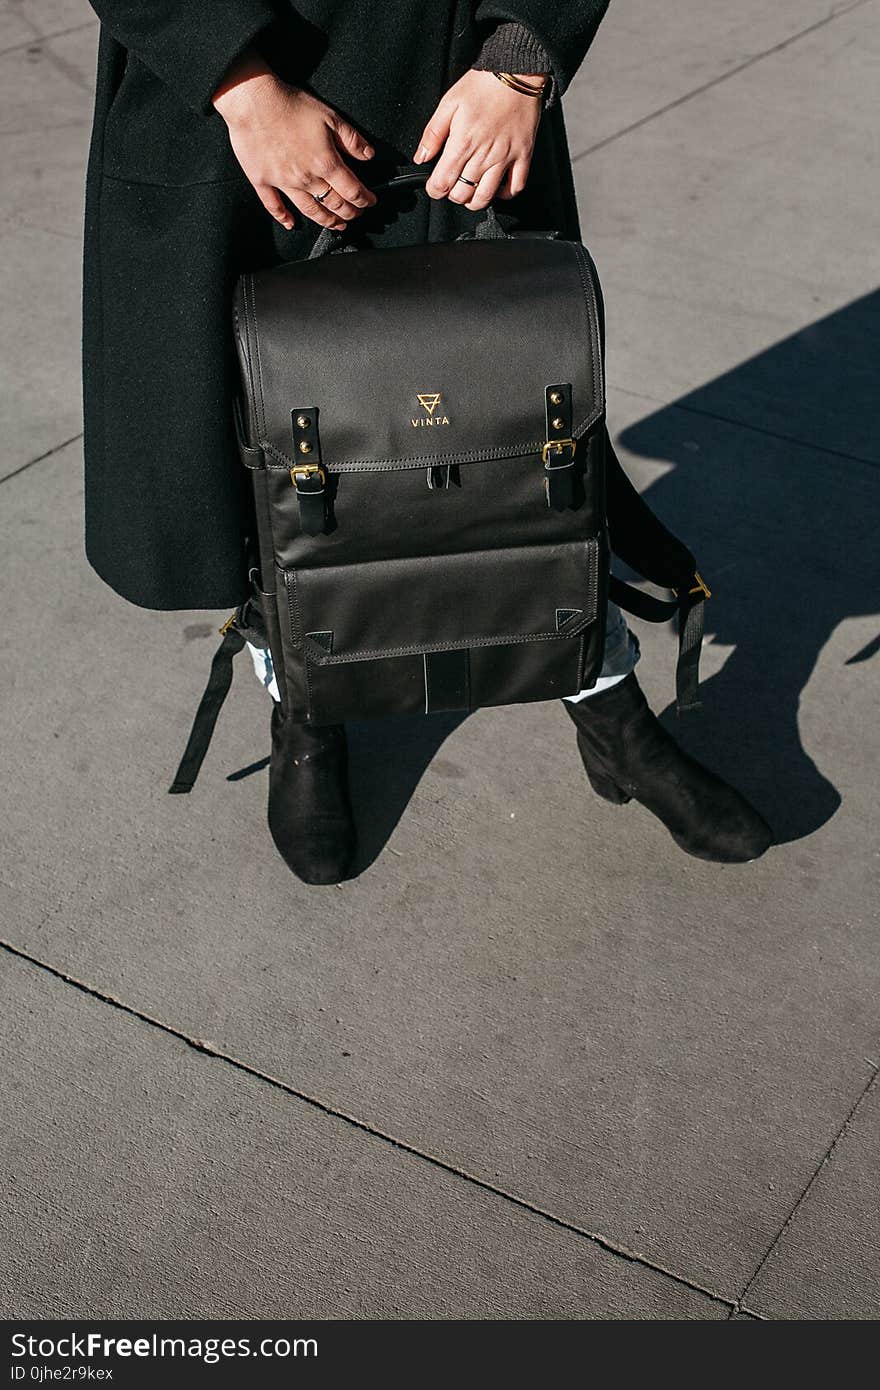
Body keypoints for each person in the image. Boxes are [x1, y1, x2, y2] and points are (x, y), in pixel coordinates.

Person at [83, 1, 773, 884]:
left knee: (517, 441)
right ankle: (305, 709)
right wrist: (239, 83)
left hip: (458, 86)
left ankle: (611, 715)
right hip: (232, 117)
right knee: (271, 466)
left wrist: (522, 58)